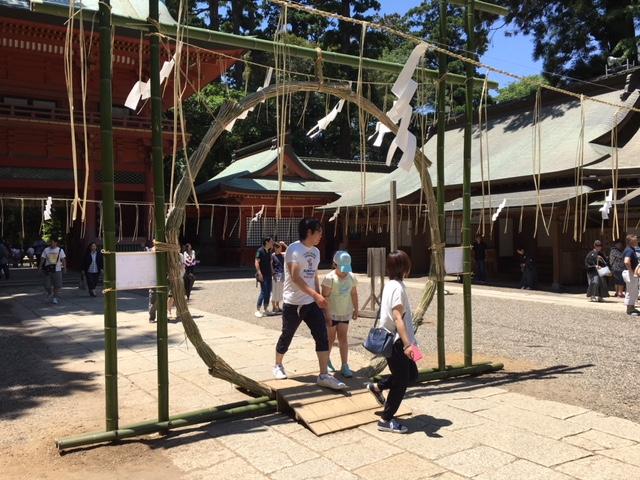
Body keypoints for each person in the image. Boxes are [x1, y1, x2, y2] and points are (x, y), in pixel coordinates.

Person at [273, 218, 346, 390]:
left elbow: (313, 276)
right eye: (319, 231)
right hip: (293, 302)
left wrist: (319, 299)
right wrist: (316, 295)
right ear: (309, 232)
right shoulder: (294, 249)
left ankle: (323, 375)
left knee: (321, 335)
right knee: (287, 334)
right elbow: (295, 277)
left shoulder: (316, 251)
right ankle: (278, 364)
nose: (321, 235)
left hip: (311, 302)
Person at [365, 250, 419, 434]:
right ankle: (386, 419)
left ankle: (378, 386)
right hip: (397, 342)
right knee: (402, 381)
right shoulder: (397, 288)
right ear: (405, 267)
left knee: (412, 375)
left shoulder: (392, 285)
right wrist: (407, 345)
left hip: (401, 340)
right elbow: (397, 317)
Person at [321, 250, 358, 378]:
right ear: (335, 264)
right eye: (342, 269)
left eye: (346, 269)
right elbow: (324, 297)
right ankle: (326, 360)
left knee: (343, 338)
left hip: (345, 312)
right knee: (330, 338)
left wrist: (356, 309)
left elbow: (354, 293)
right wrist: (327, 314)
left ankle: (344, 365)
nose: (344, 272)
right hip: (332, 313)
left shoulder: (351, 277)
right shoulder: (329, 278)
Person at [40, 237, 66, 304]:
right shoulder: (46, 250)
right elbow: (42, 258)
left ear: (56, 243)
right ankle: (49, 292)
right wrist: (40, 266)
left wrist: (64, 268)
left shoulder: (60, 250)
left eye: (53, 242)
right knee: (46, 285)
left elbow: (63, 259)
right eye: (51, 242)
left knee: (57, 285)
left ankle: (55, 297)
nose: (52, 244)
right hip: (48, 269)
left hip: (57, 270)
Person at [255, 237, 274, 317]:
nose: (272, 243)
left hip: (269, 274)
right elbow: (256, 262)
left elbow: (270, 263)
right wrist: (259, 273)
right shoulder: (260, 251)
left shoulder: (269, 251)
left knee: (268, 292)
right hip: (263, 274)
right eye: (271, 241)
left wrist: (273, 272)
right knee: (263, 291)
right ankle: (258, 309)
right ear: (266, 242)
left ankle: (266, 309)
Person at [622, 234, 640, 317]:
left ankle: (631, 307)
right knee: (632, 291)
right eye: (635, 240)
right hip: (630, 273)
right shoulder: (630, 250)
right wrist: (632, 272)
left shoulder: (630, 249)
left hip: (629, 272)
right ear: (631, 241)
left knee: (632, 290)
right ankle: (630, 309)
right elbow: (626, 261)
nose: (637, 241)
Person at [270, 242, 286, 313]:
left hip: (282, 275)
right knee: (274, 291)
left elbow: (289, 251)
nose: (281, 249)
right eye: (279, 248)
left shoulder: (282, 255)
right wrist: (273, 274)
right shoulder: (272, 256)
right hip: (276, 275)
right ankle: (274, 307)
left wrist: (284, 244)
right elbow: (271, 265)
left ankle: (278, 306)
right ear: (276, 248)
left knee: (279, 291)